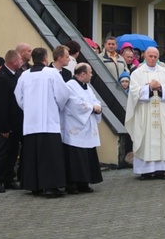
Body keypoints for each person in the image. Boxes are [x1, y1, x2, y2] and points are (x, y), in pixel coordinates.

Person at [14, 47, 71, 197]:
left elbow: (18, 97)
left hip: (31, 123)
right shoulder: (52, 73)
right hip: (48, 121)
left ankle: (34, 186)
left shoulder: (24, 76)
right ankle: (50, 187)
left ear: (33, 59)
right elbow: (63, 94)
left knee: (32, 155)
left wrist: (28, 108)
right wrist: (57, 107)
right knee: (49, 156)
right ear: (46, 59)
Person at [125, 47, 165, 179]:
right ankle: (145, 171)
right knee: (144, 138)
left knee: (162, 138)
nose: (153, 59)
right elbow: (133, 92)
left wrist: (160, 88)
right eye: (150, 56)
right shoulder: (137, 73)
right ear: (144, 56)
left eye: (155, 56)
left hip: (162, 111)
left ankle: (161, 170)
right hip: (145, 113)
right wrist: (149, 88)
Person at [61, 63, 103, 193]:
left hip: (87, 126)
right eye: (90, 72)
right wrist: (92, 108)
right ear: (83, 74)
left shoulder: (87, 87)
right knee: (75, 157)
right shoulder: (69, 86)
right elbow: (75, 104)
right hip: (75, 127)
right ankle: (72, 184)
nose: (91, 75)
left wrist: (97, 106)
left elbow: (95, 100)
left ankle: (84, 183)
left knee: (87, 155)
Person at [0, 50, 23, 193]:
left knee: (12, 152)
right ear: (13, 61)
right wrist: (4, 128)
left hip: (16, 122)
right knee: (3, 152)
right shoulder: (2, 78)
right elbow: (1, 106)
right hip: (6, 124)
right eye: (19, 60)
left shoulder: (15, 75)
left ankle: (9, 179)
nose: (21, 62)